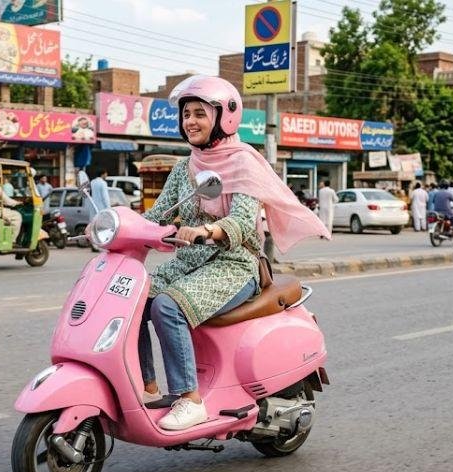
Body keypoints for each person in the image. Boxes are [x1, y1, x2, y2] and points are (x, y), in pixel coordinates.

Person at [138, 75, 329, 430]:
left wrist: (208, 230)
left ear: (224, 117)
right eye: (186, 114)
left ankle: (189, 399)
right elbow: (158, 214)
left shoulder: (243, 164)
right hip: (190, 263)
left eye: (199, 113)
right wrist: (116, 224)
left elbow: (242, 219)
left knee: (166, 305)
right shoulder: (184, 168)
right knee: (132, 299)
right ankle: (147, 388)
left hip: (235, 265)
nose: (190, 121)